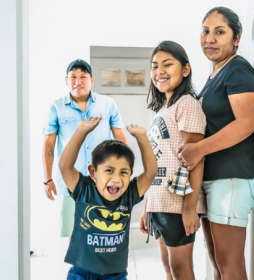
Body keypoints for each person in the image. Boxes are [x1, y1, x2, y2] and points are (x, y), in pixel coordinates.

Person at [178, 7, 254, 280]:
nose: (209, 38)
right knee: (217, 263)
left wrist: (198, 149)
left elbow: (247, 122)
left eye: (219, 32)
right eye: (205, 31)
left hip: (232, 179)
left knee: (229, 264)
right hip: (215, 179)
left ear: (236, 38)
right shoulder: (214, 76)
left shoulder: (237, 70)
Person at [139, 41, 207, 280]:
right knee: (168, 267)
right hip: (159, 202)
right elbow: (156, 161)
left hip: (179, 204)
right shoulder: (162, 109)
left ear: (185, 70)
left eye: (168, 64)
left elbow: (196, 158)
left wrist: (190, 208)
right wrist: (148, 205)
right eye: (155, 66)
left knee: (180, 268)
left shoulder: (187, 103)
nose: (159, 71)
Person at [59, 118, 157, 279]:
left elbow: (150, 172)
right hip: (82, 272)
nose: (117, 179)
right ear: (93, 172)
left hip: (115, 274)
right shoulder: (84, 190)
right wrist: (81, 132)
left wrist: (142, 139)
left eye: (123, 172)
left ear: (130, 174)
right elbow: (65, 166)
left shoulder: (129, 194)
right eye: (109, 170)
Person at [42, 59, 127, 237]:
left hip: (102, 182)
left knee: (102, 234)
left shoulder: (108, 104)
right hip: (70, 183)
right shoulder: (56, 107)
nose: (77, 81)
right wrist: (47, 178)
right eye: (73, 77)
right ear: (66, 80)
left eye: (83, 76)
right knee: (71, 236)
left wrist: (124, 174)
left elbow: (120, 139)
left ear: (92, 79)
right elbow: (49, 145)